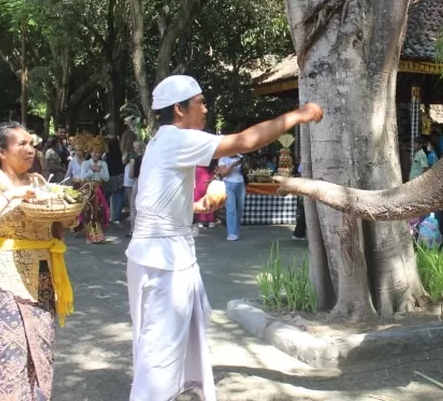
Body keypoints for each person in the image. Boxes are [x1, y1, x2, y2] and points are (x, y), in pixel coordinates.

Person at [126, 74, 323, 401]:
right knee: (159, 355)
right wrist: (296, 116)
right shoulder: (176, 139)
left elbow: (151, 202)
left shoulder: (161, 142)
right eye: (200, 102)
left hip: (157, 256)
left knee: (163, 344)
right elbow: (245, 141)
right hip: (164, 261)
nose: (205, 109)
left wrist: (193, 205)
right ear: (179, 109)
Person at [0, 122, 74, 400]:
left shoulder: (40, 182)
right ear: (2, 152)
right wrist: (10, 196)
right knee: (10, 351)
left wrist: (68, 211)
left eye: (32, 143)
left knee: (41, 349)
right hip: (3, 279)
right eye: (22, 144)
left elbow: (60, 221)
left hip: (43, 275)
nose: (31, 149)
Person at [79, 136, 109, 244]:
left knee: (99, 212)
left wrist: (99, 172)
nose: (96, 154)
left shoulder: (103, 164)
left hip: (99, 190)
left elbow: (107, 178)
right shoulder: (85, 164)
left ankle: (98, 234)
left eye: (98, 152)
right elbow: (82, 178)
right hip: (88, 190)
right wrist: (91, 171)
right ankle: (89, 236)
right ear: (90, 152)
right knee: (88, 213)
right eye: (94, 152)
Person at [217, 153, 246, 241]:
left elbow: (245, 172)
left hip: (240, 184)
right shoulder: (222, 159)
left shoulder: (240, 157)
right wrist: (232, 165)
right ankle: (231, 234)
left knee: (239, 209)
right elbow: (223, 174)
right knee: (231, 210)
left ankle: (236, 232)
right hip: (228, 185)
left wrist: (244, 164)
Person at [126, 140, 145, 238]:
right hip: (146, 184)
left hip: (137, 182)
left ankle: (133, 230)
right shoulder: (148, 159)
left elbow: (130, 175)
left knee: (134, 206)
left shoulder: (134, 160)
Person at [194, 159, 218, 229]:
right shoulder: (213, 163)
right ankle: (210, 220)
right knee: (210, 196)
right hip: (210, 172)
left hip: (201, 172)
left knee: (200, 196)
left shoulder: (199, 165)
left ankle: (201, 220)